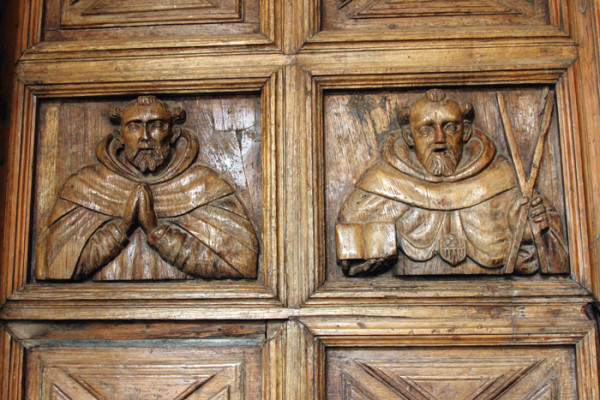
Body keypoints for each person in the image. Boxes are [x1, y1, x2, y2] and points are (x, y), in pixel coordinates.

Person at [336, 89, 568, 276]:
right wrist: (376, 247)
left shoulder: (502, 178)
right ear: (408, 136)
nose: (439, 139)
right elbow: (351, 254)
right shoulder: (382, 183)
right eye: (426, 129)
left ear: (466, 131)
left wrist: (528, 236)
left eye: (450, 127)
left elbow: (558, 259)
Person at [36, 96, 258, 280]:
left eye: (156, 126)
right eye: (134, 127)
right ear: (119, 136)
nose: (145, 137)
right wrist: (122, 228)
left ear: (173, 135)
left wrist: (157, 232)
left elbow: (241, 263)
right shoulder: (86, 186)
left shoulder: (204, 185)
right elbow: (51, 267)